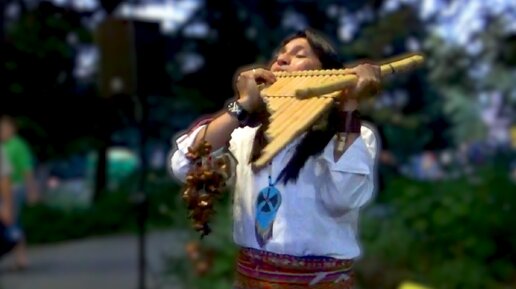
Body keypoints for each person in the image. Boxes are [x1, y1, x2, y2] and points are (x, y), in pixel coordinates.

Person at [169, 28, 381, 289]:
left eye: (298, 54)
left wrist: (348, 108)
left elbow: (344, 199)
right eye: (280, 55)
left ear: (326, 73)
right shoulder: (246, 134)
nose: (281, 60)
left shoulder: (352, 135)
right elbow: (185, 164)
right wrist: (243, 104)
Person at [0, 115, 39, 270]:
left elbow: (27, 169)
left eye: (4, 128)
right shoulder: (4, 146)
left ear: (13, 129)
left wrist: (31, 190)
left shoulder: (18, 146)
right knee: (11, 222)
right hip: (6, 188)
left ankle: (21, 258)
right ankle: (18, 256)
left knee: (12, 221)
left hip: (14, 187)